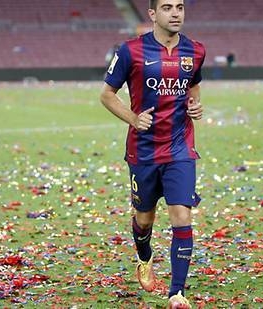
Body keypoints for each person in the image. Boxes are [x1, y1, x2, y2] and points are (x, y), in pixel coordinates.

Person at [99, 0, 205, 307]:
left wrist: (195, 106)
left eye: (180, 7)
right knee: (143, 221)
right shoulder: (130, 51)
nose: (175, 13)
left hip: (180, 148)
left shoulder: (195, 50)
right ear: (152, 14)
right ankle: (144, 257)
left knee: (182, 216)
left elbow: (193, 88)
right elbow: (106, 95)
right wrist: (133, 118)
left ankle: (177, 292)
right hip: (143, 151)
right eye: (168, 7)